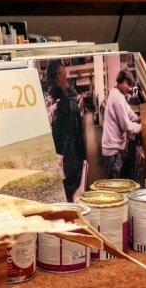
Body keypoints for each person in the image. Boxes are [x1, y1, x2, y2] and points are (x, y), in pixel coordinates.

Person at [47, 59, 86, 201]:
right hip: (69, 176)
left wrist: (66, 185)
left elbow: (71, 149)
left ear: (58, 78)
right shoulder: (67, 102)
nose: (49, 89)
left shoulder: (68, 107)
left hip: (69, 179)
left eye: (49, 82)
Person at [101, 70, 142, 180]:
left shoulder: (118, 95)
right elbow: (126, 126)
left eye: (130, 85)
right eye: (127, 84)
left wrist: (140, 118)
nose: (129, 88)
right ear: (121, 81)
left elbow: (130, 114)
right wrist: (142, 127)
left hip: (113, 147)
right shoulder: (117, 98)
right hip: (113, 150)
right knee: (114, 185)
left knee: (115, 182)